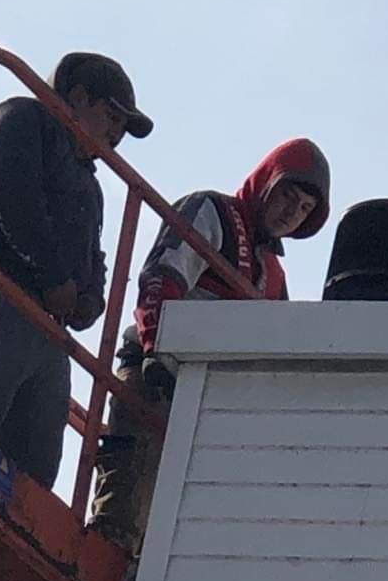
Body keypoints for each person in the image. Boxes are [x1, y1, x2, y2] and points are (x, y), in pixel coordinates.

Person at [90, 138, 330, 555]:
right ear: (265, 183)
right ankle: (105, 554)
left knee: (182, 508)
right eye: (287, 196)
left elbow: (276, 357)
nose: (292, 212)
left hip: (211, 404)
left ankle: (137, 578)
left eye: (305, 208)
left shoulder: (273, 275)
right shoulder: (212, 211)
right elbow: (161, 278)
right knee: (131, 478)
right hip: (157, 375)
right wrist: (156, 352)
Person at [0, 53, 153, 488]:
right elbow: (10, 196)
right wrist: (55, 277)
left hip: (46, 317)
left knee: (42, 432)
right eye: (111, 117)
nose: (115, 134)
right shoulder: (20, 117)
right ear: (76, 97)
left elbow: (93, 254)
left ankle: (17, 510)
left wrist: (89, 300)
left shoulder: (90, 187)